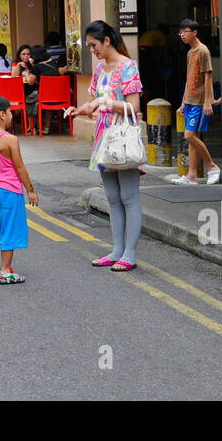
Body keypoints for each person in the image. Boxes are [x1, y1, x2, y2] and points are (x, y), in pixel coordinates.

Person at [67, 21, 144, 272]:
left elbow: (134, 106)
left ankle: (129, 254)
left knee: (129, 197)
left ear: (107, 41)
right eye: (89, 46)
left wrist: (106, 102)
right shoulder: (100, 70)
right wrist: (81, 109)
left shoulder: (128, 67)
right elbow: (93, 103)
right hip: (103, 140)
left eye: (94, 45)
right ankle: (116, 250)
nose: (92, 50)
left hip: (122, 139)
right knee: (112, 198)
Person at [0, 94, 39, 284]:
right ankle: (5, 270)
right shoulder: (10, 140)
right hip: (10, 191)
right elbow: (19, 167)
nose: (12, 115)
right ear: (2, 115)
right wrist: (30, 189)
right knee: (9, 229)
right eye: (10, 112)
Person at [171, 19, 220, 185]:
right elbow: (188, 78)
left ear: (194, 32)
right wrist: (184, 101)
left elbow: (208, 76)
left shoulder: (202, 51)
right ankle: (191, 176)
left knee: (189, 136)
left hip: (200, 102)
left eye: (185, 32)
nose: (182, 35)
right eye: (181, 32)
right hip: (190, 101)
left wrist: (207, 101)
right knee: (192, 139)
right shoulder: (190, 53)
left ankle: (212, 166)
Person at [22, 44, 60, 119]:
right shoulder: (53, 62)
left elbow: (30, 82)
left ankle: (33, 127)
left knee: (29, 99)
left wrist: (26, 74)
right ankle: (47, 126)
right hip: (58, 96)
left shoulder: (38, 66)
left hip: (45, 97)